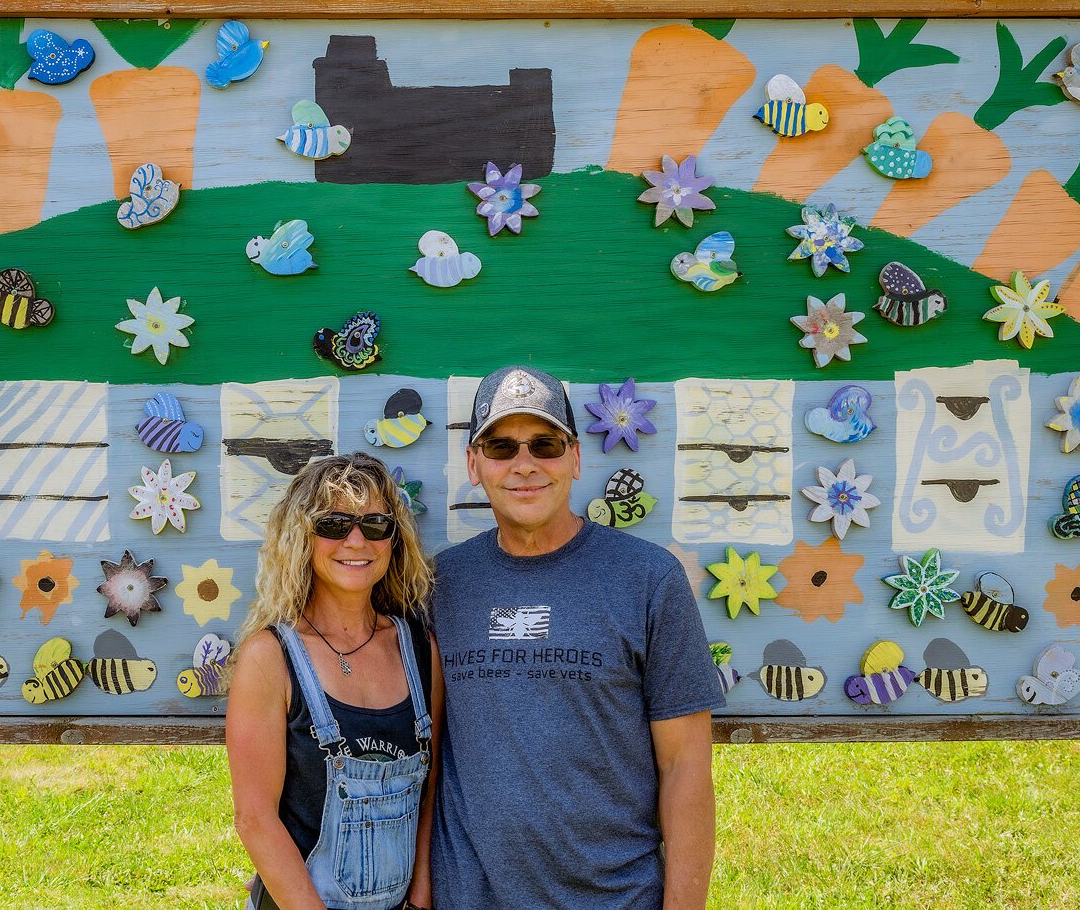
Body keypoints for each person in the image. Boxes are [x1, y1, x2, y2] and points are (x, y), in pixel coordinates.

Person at [431, 365, 724, 909]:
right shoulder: (438, 586)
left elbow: (685, 766)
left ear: (575, 458)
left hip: (617, 897)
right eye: (500, 447)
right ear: (474, 464)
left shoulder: (648, 579)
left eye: (545, 445)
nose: (524, 465)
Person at [228, 452, 441, 910]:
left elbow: (431, 787)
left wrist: (420, 898)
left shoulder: (420, 648)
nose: (356, 540)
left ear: (394, 539)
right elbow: (254, 819)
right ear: (301, 536)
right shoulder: (270, 658)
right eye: (333, 523)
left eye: (376, 524)